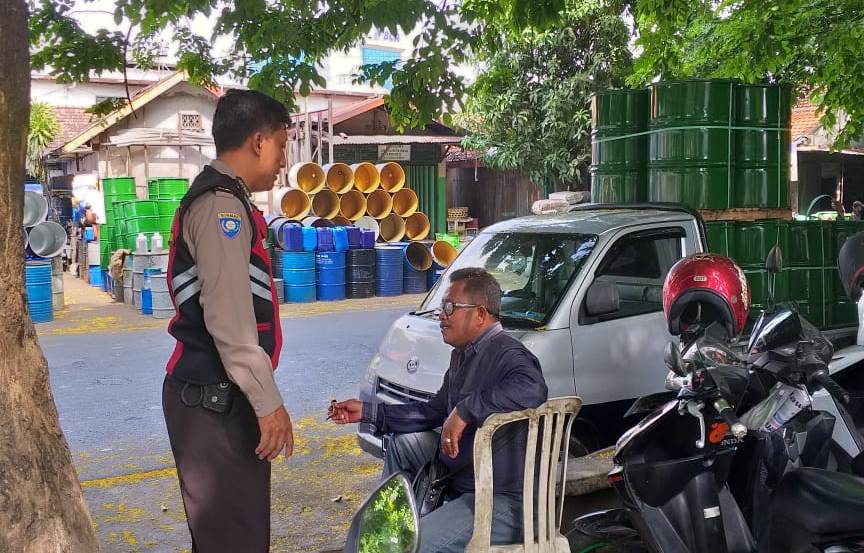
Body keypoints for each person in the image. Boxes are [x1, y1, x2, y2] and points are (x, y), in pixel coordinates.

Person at [331, 268, 548, 552]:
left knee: (414, 546)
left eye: (449, 307)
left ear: (480, 314)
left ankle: (405, 541)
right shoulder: (464, 354)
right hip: (464, 481)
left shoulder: (508, 353)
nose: (441, 316)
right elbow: (432, 412)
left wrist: (466, 410)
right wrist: (370, 412)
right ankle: (390, 521)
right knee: (404, 444)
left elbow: (533, 389)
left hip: (500, 501)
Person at [162, 89, 293, 552]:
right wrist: (268, 404)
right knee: (234, 541)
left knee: (230, 537)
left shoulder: (226, 199)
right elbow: (231, 325)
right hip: (212, 403)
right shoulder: (221, 207)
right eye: (282, 144)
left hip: (214, 398)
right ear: (258, 141)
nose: (282, 160)